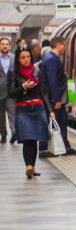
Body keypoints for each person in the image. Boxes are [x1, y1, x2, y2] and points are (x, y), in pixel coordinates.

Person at [9, 47, 49, 179]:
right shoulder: (13, 74)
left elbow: (44, 92)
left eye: (28, 57)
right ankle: (29, 167)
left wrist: (50, 110)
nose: (26, 59)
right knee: (28, 139)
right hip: (23, 109)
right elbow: (11, 93)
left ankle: (32, 166)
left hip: (38, 108)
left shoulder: (38, 71)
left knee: (35, 139)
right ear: (18, 60)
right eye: (23, 57)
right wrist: (24, 87)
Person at [38, 37, 76, 158]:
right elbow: (52, 81)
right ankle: (43, 148)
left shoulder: (51, 58)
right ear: (60, 45)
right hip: (53, 98)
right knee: (53, 121)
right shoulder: (52, 59)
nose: (65, 48)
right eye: (65, 46)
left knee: (61, 121)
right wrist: (56, 99)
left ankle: (64, 146)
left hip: (53, 97)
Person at [0, 37, 15, 143]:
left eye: (6, 44)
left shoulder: (14, 58)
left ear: (9, 46)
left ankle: (14, 133)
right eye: (2, 44)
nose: (4, 46)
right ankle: (3, 134)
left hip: (11, 91)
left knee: (12, 113)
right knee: (1, 115)